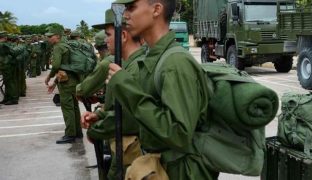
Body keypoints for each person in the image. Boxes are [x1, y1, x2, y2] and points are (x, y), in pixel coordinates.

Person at [106, 0, 218, 179]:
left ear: (157, 9)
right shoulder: (153, 58)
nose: (125, 14)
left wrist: (127, 89)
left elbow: (178, 133)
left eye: (131, 7)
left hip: (179, 171)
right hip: (161, 166)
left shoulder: (175, 63)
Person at [80, 9, 144, 180]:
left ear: (123, 36)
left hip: (131, 150)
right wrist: (98, 114)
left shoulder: (135, 68)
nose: (105, 40)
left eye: (108, 34)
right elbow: (119, 105)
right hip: (124, 147)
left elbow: (128, 117)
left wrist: (96, 130)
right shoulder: (126, 65)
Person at [45, 25, 83, 144]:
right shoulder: (68, 45)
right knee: (74, 107)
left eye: (50, 36)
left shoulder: (58, 47)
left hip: (66, 82)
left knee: (67, 108)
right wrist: (55, 82)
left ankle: (70, 134)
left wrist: (49, 76)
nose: (48, 38)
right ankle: (78, 132)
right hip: (73, 80)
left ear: (57, 36)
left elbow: (56, 66)